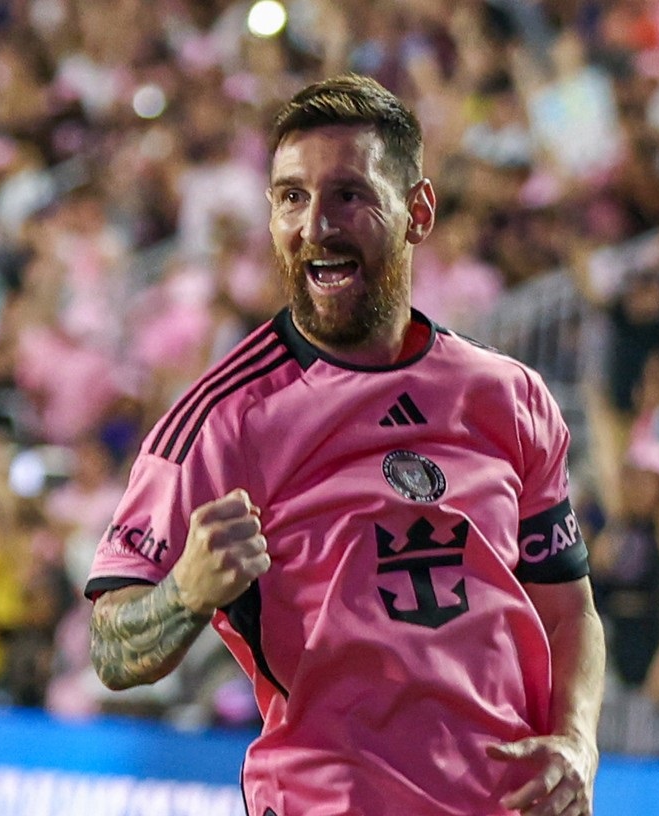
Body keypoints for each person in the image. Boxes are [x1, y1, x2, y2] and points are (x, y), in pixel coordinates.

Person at [85, 74, 604, 816]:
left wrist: (577, 741)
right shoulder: (225, 420)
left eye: (348, 195)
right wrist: (186, 593)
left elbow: (568, 611)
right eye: (291, 197)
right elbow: (110, 647)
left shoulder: (509, 397)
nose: (316, 225)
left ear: (417, 213)